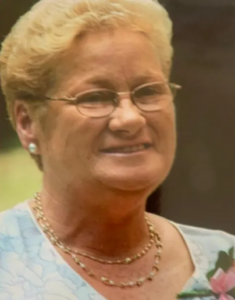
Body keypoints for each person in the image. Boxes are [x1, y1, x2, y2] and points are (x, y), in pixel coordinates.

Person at [0, 0, 234, 299]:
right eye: (95, 97)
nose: (131, 118)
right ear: (27, 122)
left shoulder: (225, 260)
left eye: (148, 91)